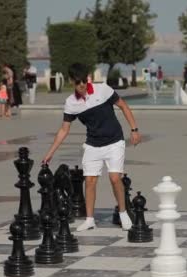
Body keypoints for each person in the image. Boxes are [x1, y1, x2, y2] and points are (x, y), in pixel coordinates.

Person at [42, 63, 142, 231]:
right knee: (89, 181)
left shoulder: (102, 89)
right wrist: (50, 153)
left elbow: (123, 106)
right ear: (71, 82)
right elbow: (64, 130)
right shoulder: (71, 103)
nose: (81, 85)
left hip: (114, 141)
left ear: (87, 78)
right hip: (93, 145)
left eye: (83, 81)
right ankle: (89, 220)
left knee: (115, 178)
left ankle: (124, 213)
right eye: (77, 82)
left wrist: (134, 130)